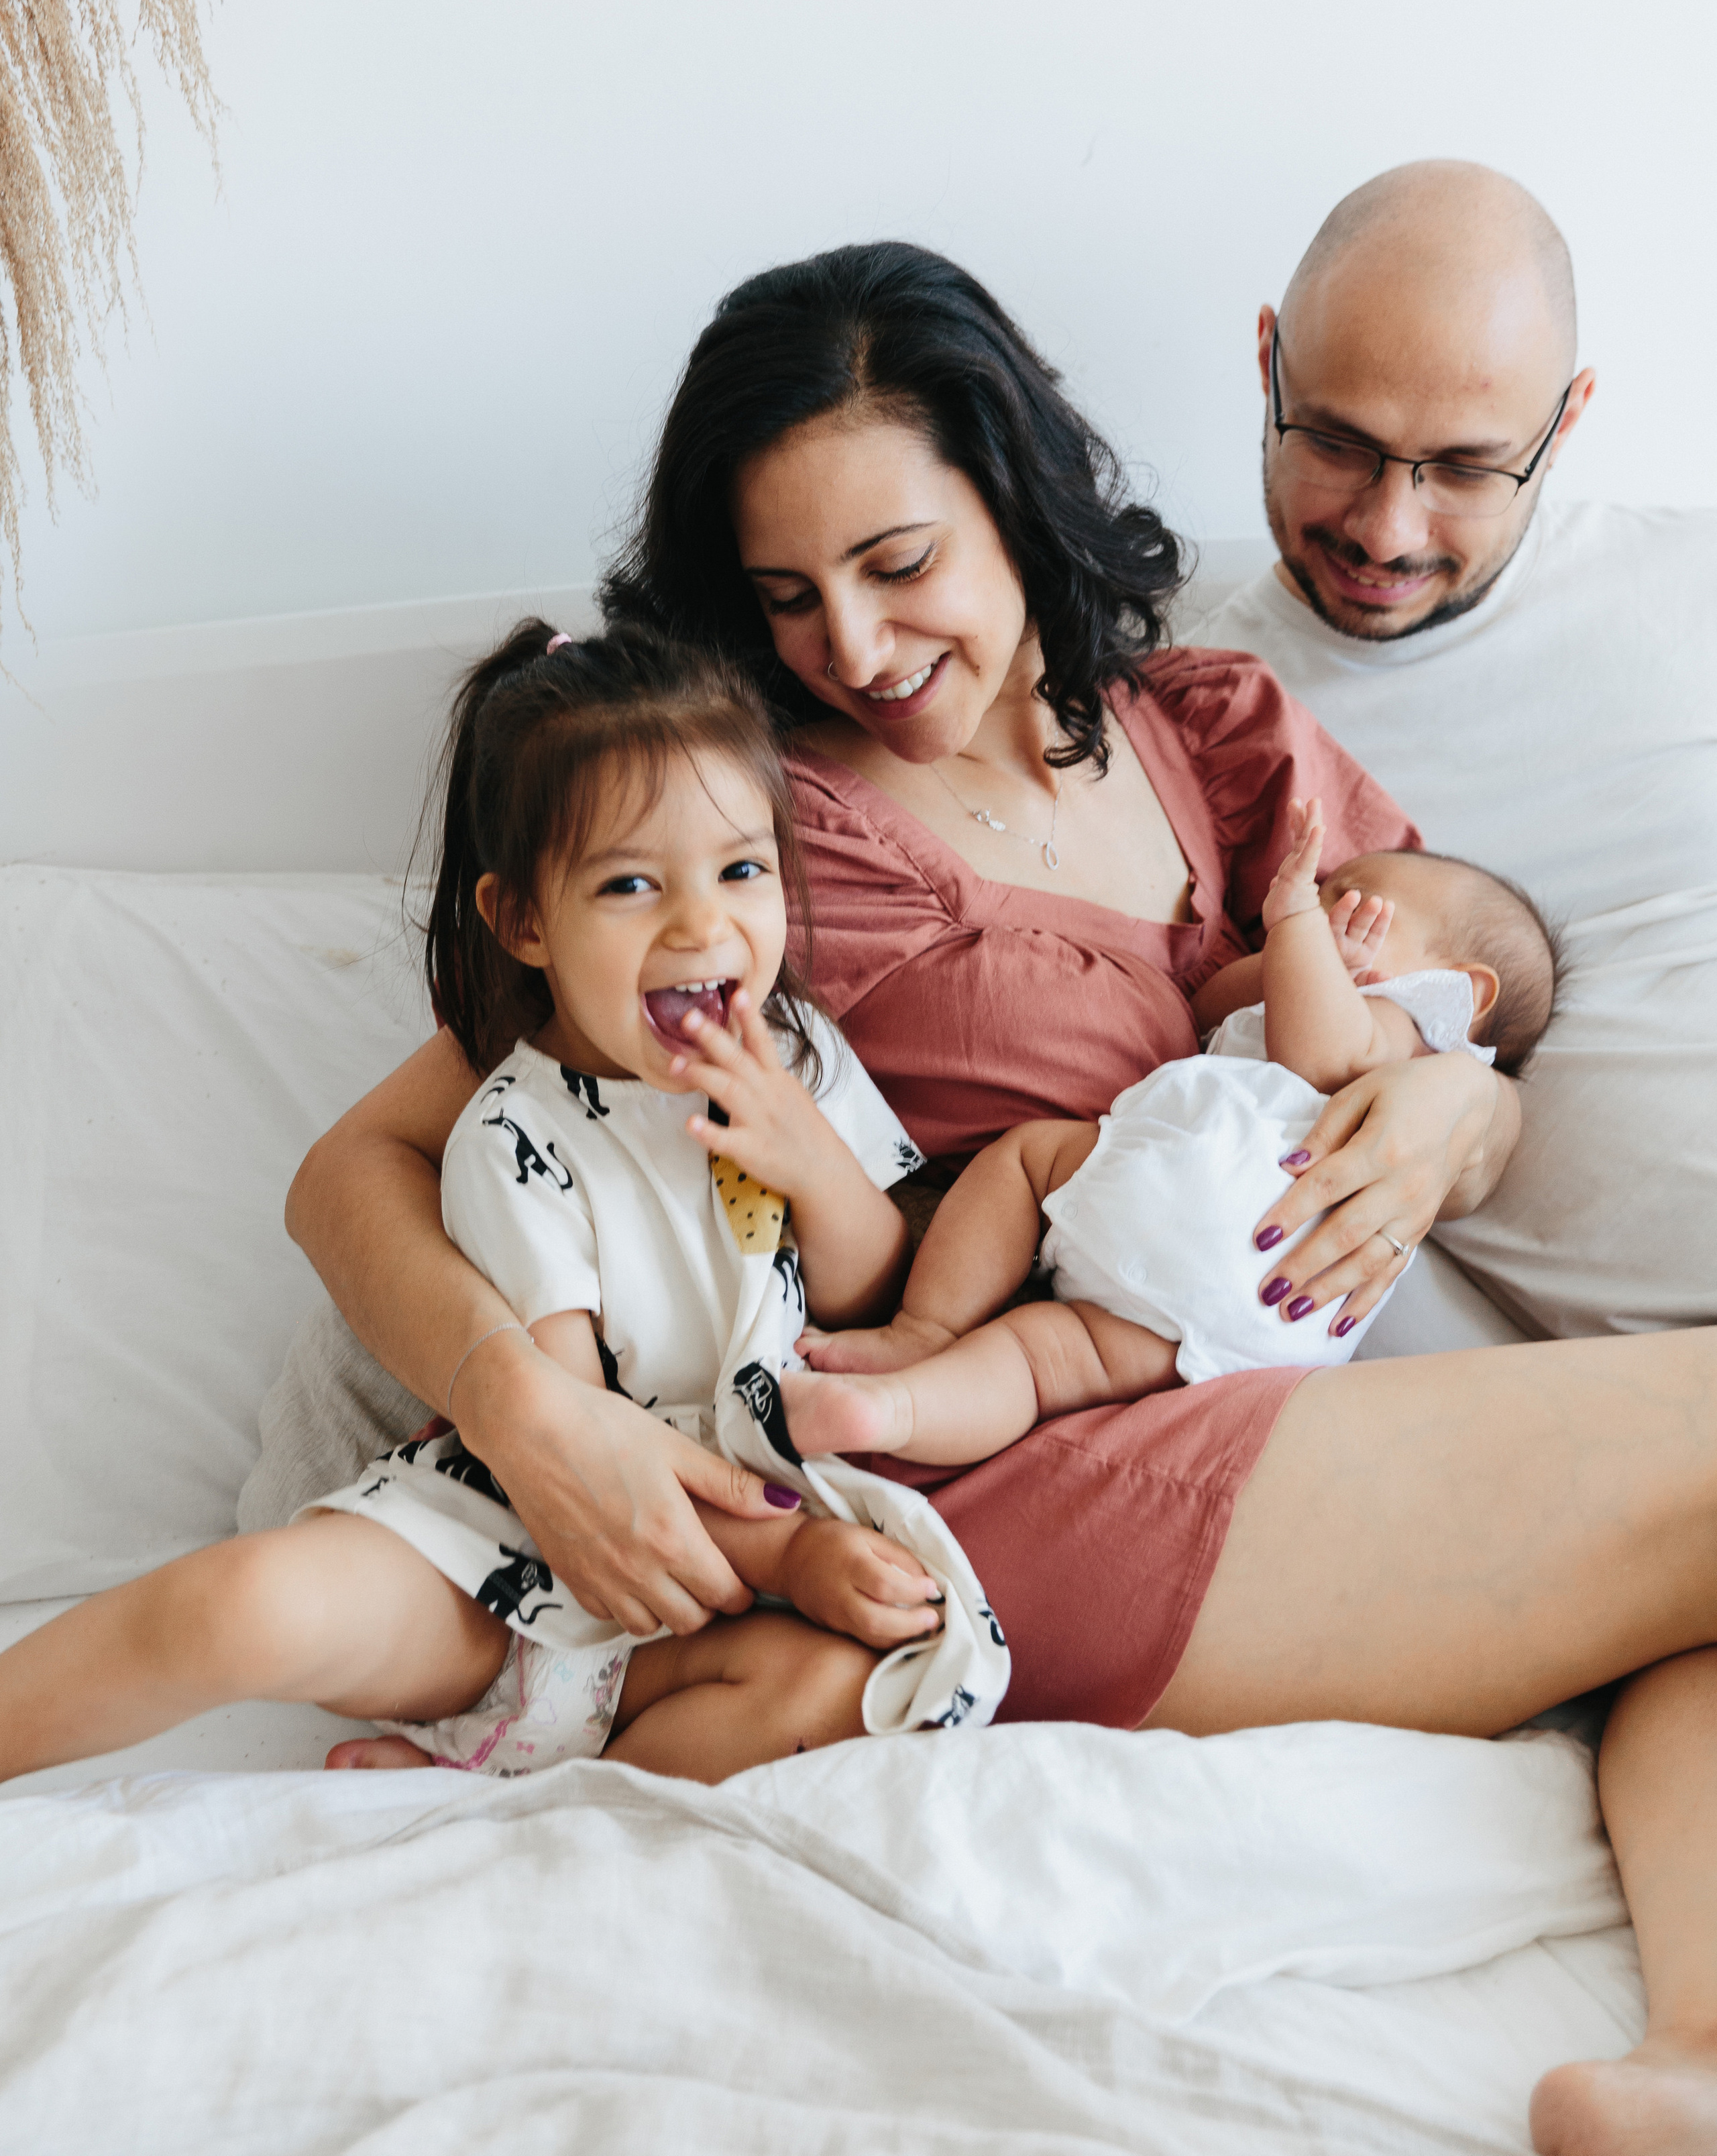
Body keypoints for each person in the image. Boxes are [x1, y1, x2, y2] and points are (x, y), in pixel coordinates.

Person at [273, 242, 1712, 2148]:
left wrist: (1462, 1112)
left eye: (897, 565)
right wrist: (534, 1420)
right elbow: (351, 1171)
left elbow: (1455, 989)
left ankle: (1689, 2065)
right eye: (787, 596)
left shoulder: (1213, 730)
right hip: (994, 1465)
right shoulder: (747, 828)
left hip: (1266, 1399)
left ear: (1016, 500)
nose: (852, 649)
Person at [0, 622, 1011, 1792]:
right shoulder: (517, 1134)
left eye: (741, 871)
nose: (702, 926)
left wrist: (813, 1159)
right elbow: (584, 1436)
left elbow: (874, 1299)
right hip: (529, 1547)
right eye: (631, 885)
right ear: (526, 922)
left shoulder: (800, 1057)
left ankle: (504, 1783)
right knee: (238, 1607)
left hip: (698, 1598)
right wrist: (794, 1552)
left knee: (846, 1699)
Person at [1186, 158, 1717, 1340]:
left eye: (1468, 468)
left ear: (1565, 422)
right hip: (1523, 1392)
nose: (1387, 530)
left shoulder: (1692, 589)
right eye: (1337, 442)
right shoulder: (1187, 709)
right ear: (1269, 364)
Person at [781, 804, 1560, 1463]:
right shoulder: (1315, 986)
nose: (1321, 903)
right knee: (1037, 1362)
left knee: (1024, 1162)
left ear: (1462, 992)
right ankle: (889, 1415)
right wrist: (1291, 946)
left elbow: (1323, 1058)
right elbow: (1210, 1008)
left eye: (1352, 901)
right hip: (1262, 1331)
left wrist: (1301, 923)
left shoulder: (1411, 1033)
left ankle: (925, 1329)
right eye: (1323, 894)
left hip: (1220, 1214)